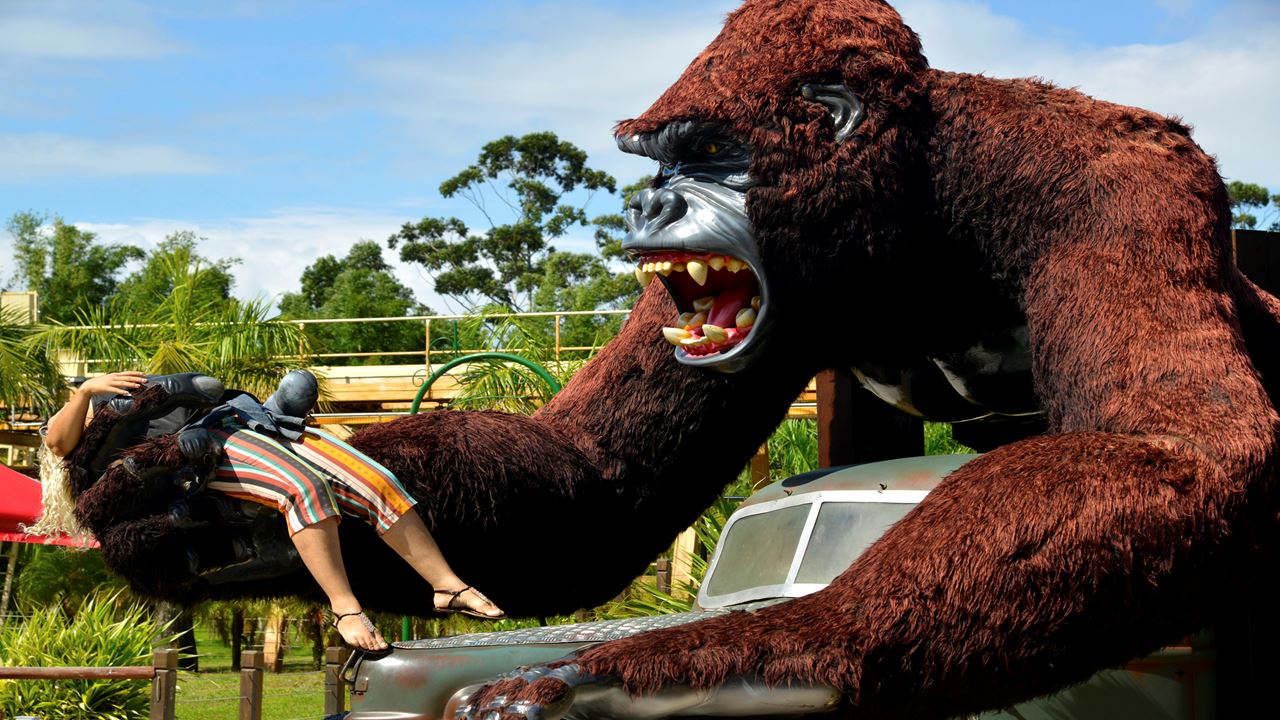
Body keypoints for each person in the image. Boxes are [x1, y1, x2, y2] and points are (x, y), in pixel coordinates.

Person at [41, 370, 503, 652]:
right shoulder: (94, 422)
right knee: (305, 489)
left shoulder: (136, 388)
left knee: (380, 483)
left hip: (243, 419)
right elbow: (58, 442)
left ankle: (448, 585)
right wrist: (84, 393)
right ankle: (346, 610)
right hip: (201, 454)